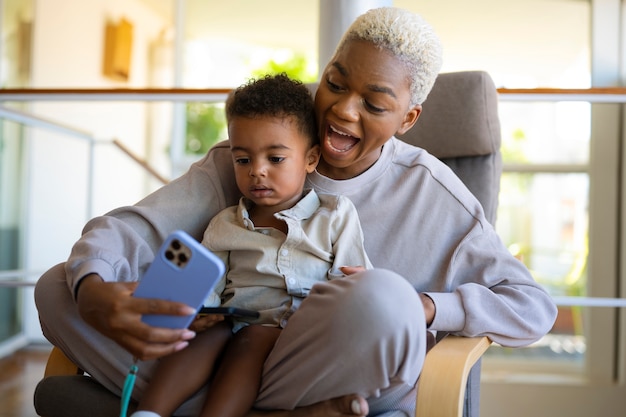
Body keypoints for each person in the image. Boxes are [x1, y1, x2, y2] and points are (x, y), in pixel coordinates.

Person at [35, 6, 557, 417]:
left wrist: (428, 306)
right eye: (336, 81)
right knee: (61, 285)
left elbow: (533, 306)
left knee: (383, 297)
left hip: (337, 367)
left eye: (374, 104)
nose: (342, 109)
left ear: (408, 118)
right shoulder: (252, 155)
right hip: (226, 352)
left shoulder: (434, 194)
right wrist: (95, 291)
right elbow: (132, 230)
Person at [130, 73, 372, 417]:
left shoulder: (333, 216)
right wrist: (200, 314)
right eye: (243, 160)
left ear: (311, 158)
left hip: (301, 334)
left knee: (254, 337)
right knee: (202, 335)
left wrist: (353, 293)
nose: (257, 171)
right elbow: (210, 285)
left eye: (275, 159)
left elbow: (352, 277)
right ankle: (150, 413)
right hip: (233, 325)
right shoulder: (225, 224)